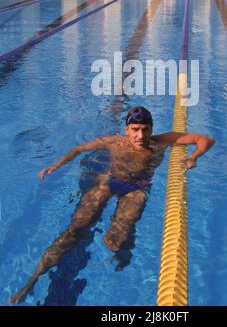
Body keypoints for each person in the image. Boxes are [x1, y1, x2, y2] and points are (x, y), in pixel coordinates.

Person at [9, 106, 215, 305]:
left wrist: (194, 157)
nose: (140, 136)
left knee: (116, 239)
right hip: (108, 182)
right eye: (135, 130)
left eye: (145, 130)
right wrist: (56, 165)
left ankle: (123, 248)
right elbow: (79, 149)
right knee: (75, 229)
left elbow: (205, 139)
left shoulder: (160, 141)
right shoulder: (114, 142)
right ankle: (33, 279)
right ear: (127, 129)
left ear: (152, 129)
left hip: (136, 189)